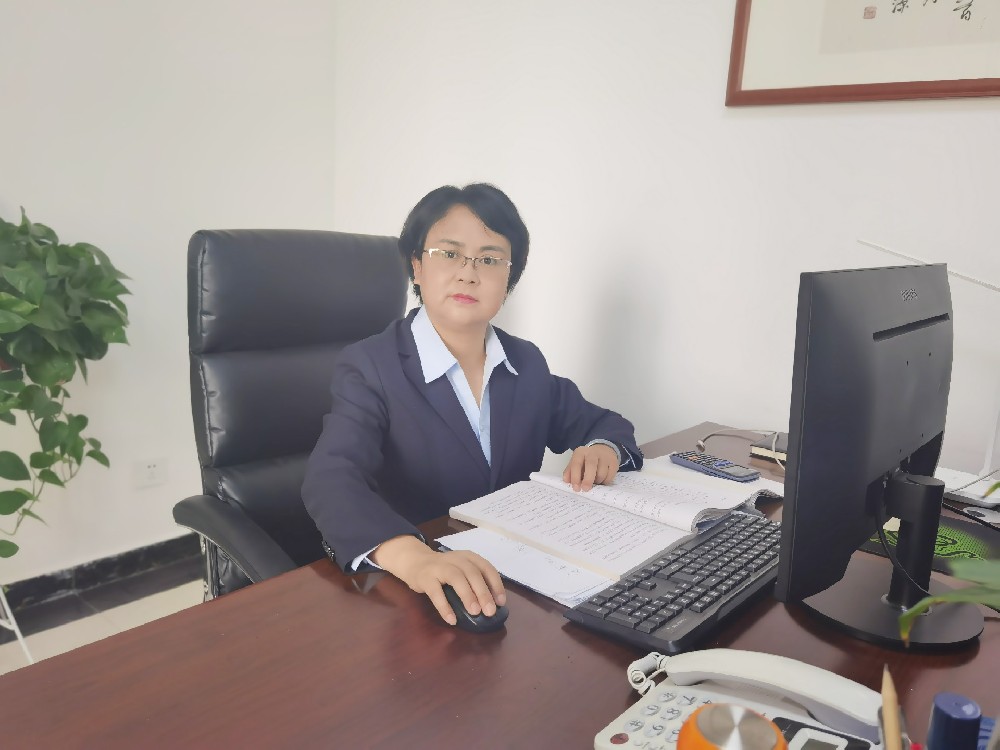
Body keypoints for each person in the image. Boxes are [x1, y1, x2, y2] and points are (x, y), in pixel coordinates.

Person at [301, 183, 643, 626]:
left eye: (490, 259)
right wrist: (414, 558)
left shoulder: (525, 363)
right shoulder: (371, 366)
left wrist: (603, 449)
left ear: (508, 280)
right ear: (417, 266)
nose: (468, 273)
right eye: (449, 253)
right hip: (412, 594)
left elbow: (606, 425)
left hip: (516, 582)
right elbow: (331, 477)